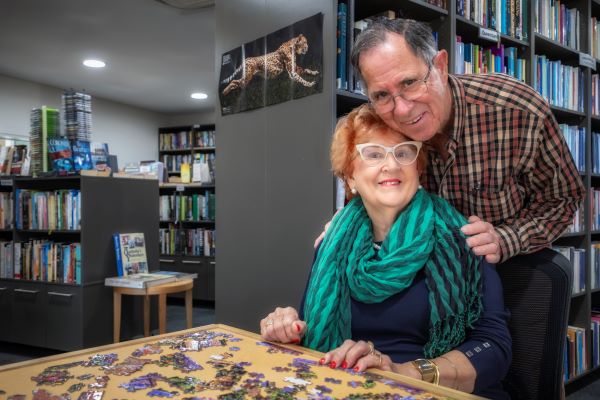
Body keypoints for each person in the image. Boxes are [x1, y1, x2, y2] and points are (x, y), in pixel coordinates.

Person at [261, 104, 512, 399]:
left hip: (431, 390)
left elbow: (494, 349)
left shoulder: (465, 238)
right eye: (373, 153)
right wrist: (286, 327)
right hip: (344, 388)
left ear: (418, 170)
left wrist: (407, 373)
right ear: (350, 177)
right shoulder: (331, 243)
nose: (391, 165)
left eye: (404, 153)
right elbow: (309, 329)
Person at [317, 18, 585, 264]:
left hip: (504, 270)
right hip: (415, 270)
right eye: (382, 95)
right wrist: (347, 225)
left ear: (440, 67)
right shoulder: (381, 127)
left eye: (410, 82)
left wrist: (506, 239)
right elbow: (367, 191)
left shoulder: (519, 111)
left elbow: (563, 198)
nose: (402, 110)